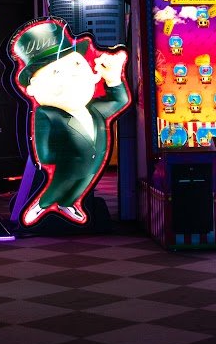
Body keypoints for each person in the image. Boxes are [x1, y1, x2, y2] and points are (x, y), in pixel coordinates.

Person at [9, 20, 131, 226]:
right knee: (57, 187)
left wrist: (113, 80)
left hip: (92, 166)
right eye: (56, 72)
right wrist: (55, 156)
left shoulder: (95, 110)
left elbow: (121, 101)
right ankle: (42, 205)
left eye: (76, 64)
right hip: (67, 166)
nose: (71, 75)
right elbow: (43, 150)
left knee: (80, 187)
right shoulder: (47, 114)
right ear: (32, 88)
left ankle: (69, 204)